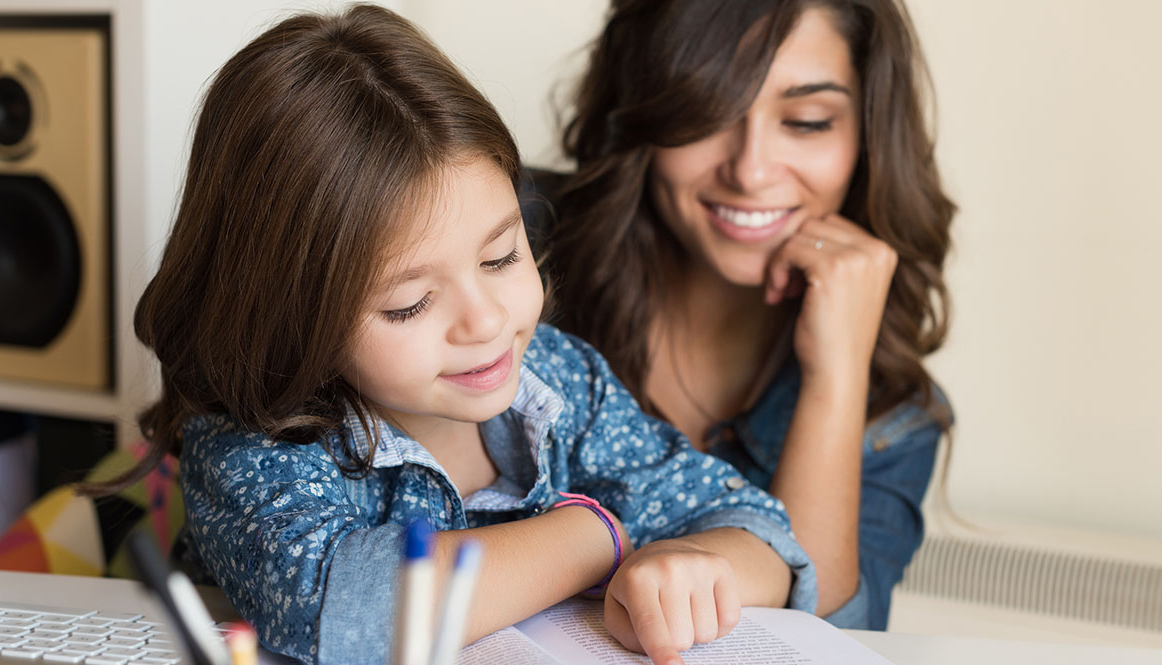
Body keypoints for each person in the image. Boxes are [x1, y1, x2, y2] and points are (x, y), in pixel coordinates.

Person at [80, 6, 816, 665]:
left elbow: (764, 535)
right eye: (409, 304)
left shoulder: (559, 380)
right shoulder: (254, 440)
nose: (488, 321)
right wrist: (598, 538)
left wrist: (691, 563)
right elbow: (341, 608)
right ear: (291, 312)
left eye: (502, 256)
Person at [542, 0, 955, 630]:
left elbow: (825, 639)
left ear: (867, 137)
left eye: (807, 121)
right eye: (710, 112)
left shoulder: (896, 421)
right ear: (648, 110)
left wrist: (836, 376)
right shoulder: (504, 255)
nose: (750, 170)